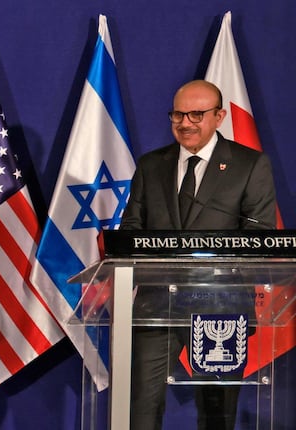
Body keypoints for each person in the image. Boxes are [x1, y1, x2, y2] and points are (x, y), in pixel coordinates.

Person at [120, 80, 276, 430]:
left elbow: (260, 234)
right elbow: (132, 227)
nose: (185, 122)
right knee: (142, 405)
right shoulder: (151, 165)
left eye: (196, 114)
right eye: (177, 114)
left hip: (219, 304)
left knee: (216, 411)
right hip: (156, 306)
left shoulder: (249, 165)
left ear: (219, 116)